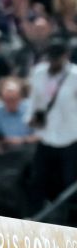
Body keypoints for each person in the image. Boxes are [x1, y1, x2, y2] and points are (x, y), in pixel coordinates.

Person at [28, 39, 77, 213]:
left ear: (65, 56)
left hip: (70, 138)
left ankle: (70, 220)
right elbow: (34, 99)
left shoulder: (74, 75)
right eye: (50, 58)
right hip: (46, 135)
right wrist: (31, 118)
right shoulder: (39, 72)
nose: (52, 62)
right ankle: (35, 216)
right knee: (38, 180)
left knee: (69, 183)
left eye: (56, 58)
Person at [0, 78, 36, 148]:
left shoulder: (32, 108)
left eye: (13, 99)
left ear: (20, 98)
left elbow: (40, 135)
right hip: (6, 149)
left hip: (28, 147)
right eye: (6, 100)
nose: (9, 103)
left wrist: (22, 140)